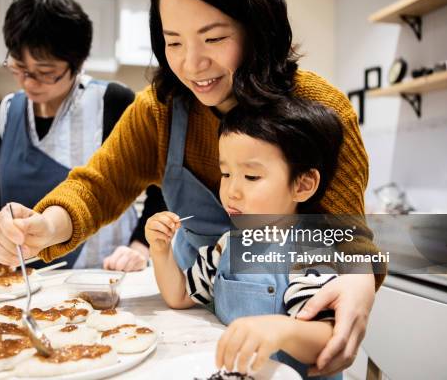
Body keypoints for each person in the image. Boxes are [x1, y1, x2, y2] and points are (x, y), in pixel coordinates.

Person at [0, 0, 384, 376]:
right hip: (199, 337)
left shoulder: (318, 109)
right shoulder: (160, 108)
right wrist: (45, 226)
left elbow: (348, 239)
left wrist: (360, 281)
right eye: (173, 41)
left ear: (257, 27)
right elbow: (99, 184)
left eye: (213, 38)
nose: (191, 64)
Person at [0, 0, 166, 271]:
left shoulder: (112, 102)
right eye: (19, 68)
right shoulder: (2, 112)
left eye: (45, 72)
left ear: (77, 65)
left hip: (101, 271)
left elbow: (160, 187)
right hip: (20, 276)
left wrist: (141, 246)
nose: (29, 82)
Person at [146, 98, 344, 377]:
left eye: (251, 176)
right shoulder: (228, 244)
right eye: (226, 173)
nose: (231, 191)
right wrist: (160, 249)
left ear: (302, 185)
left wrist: (281, 330)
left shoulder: (310, 249)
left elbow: (327, 339)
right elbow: (179, 295)